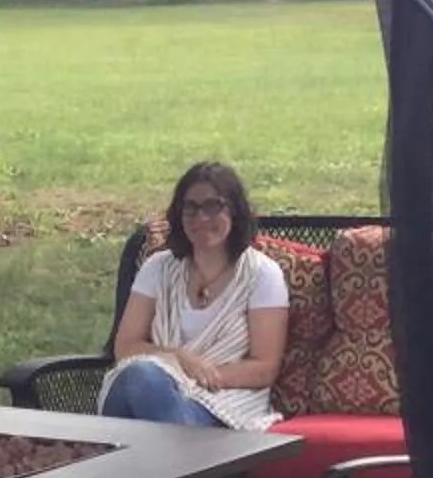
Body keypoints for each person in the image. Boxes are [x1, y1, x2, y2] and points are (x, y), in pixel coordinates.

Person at [97, 161, 289, 430]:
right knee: (138, 376)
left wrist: (197, 378)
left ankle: (149, 465)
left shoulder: (262, 275)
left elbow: (264, 367)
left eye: (213, 206)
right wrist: (179, 359)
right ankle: (176, 465)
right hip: (154, 391)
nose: (201, 218)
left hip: (224, 404)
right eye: (191, 208)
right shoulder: (158, 268)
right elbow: (126, 347)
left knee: (142, 381)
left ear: (234, 211)